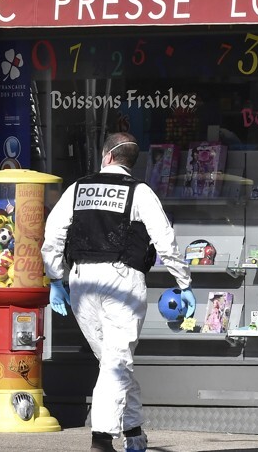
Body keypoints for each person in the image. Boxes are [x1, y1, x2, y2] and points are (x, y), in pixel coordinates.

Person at [41, 132, 193, 452]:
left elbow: (53, 234)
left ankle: (134, 432)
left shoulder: (77, 189)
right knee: (115, 363)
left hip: (82, 281)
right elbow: (164, 239)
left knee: (114, 362)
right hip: (124, 280)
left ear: (107, 155)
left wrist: (56, 280)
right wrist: (184, 282)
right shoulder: (141, 192)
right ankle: (101, 440)